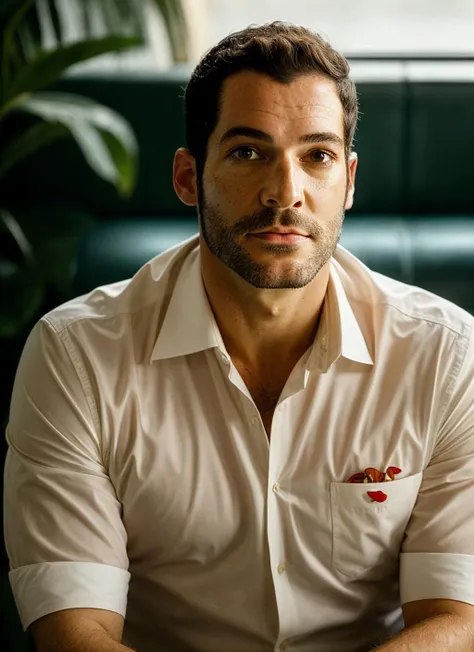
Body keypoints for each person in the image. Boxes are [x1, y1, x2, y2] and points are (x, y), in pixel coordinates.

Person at [4, 20, 474, 652]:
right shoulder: (77, 356)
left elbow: (456, 617)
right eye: (249, 152)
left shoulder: (447, 356)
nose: (286, 192)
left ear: (351, 180)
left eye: (318, 156)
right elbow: (73, 630)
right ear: (187, 177)